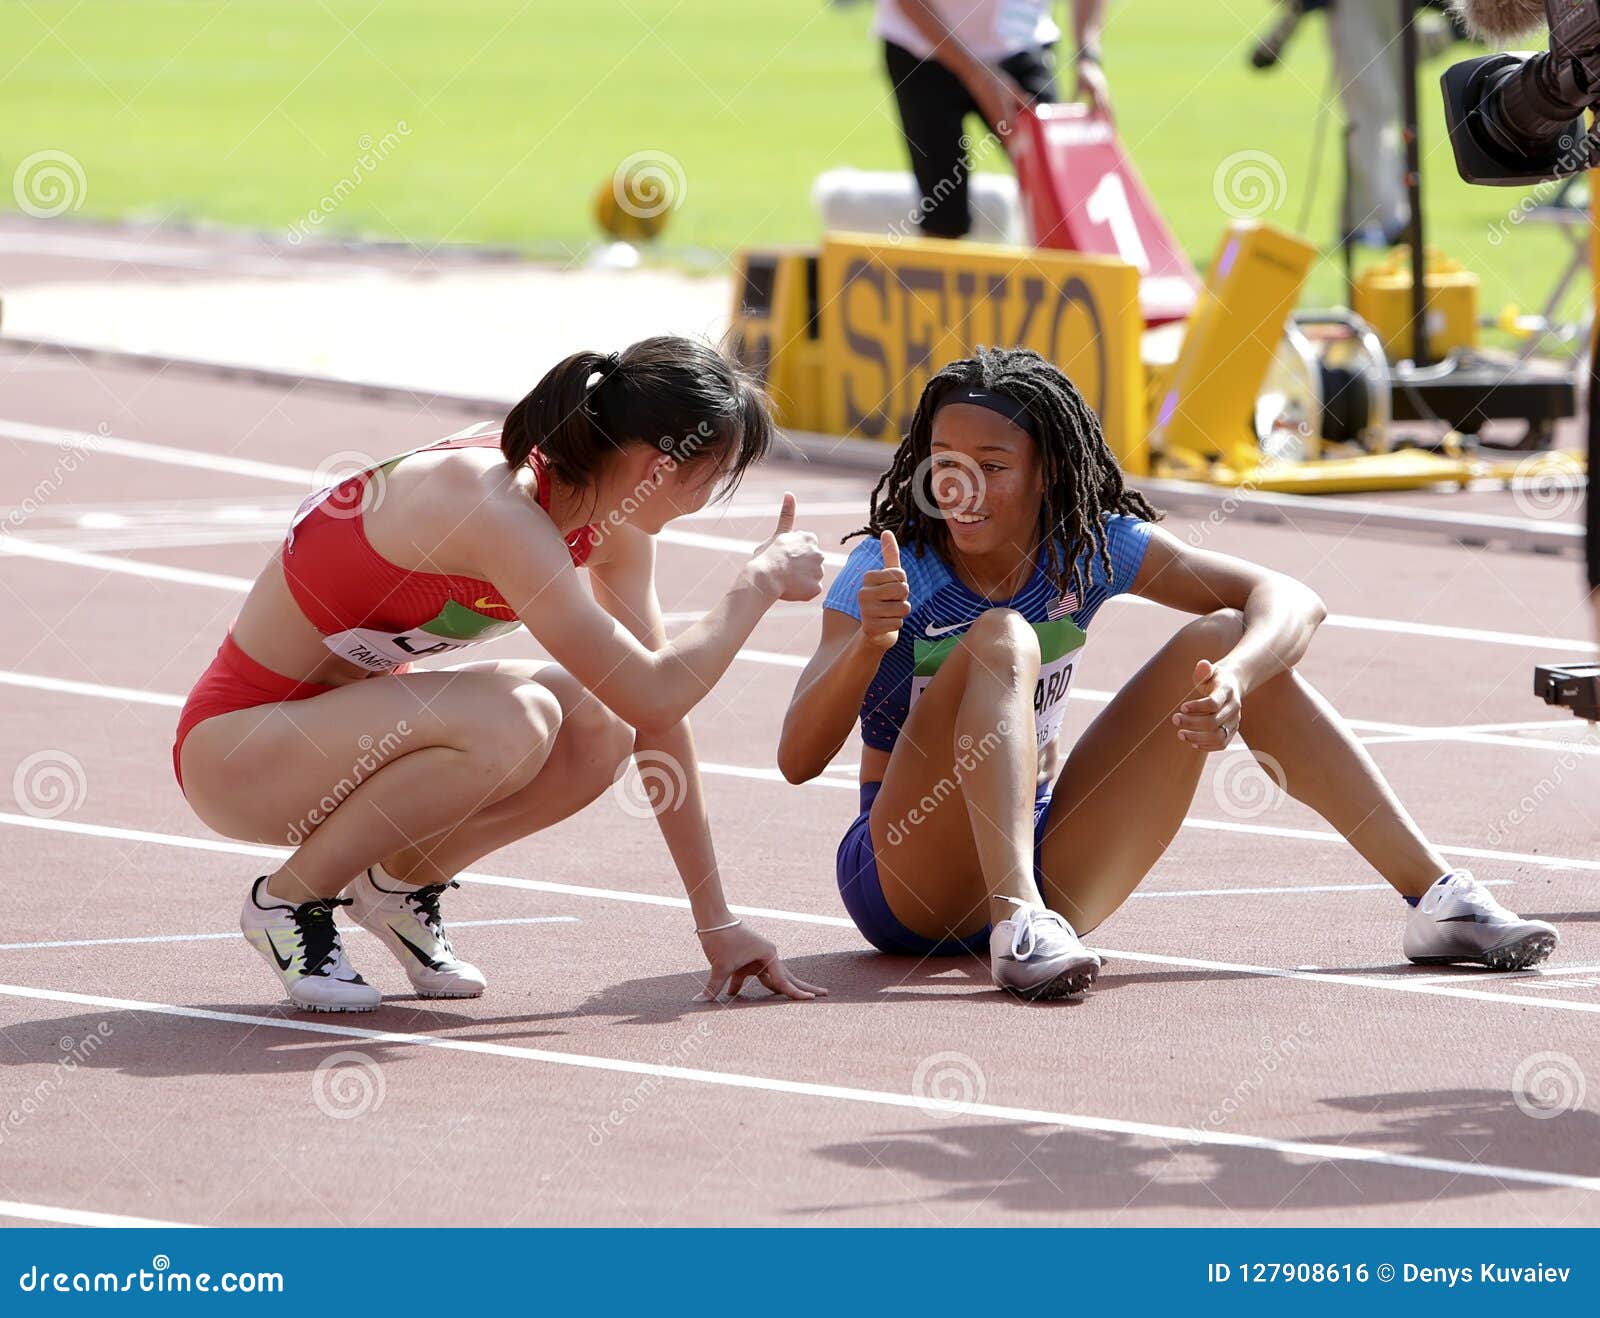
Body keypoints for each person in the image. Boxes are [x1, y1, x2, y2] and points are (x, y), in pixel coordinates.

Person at [779, 346, 1558, 1000]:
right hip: (905, 879)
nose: (963, 490)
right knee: (1003, 638)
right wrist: (866, 647)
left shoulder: (1088, 547)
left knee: (1225, 637)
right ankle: (1017, 921)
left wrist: (1237, 681)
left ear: (1048, 471)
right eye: (946, 464)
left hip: (1057, 856)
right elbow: (797, 759)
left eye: (993, 465)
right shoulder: (887, 573)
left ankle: (1437, 898)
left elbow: (1290, 599)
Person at [173, 336, 829, 1012]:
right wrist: (757, 585)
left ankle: (399, 887)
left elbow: (653, 711)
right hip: (239, 755)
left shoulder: (610, 519)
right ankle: (289, 904)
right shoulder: (494, 504)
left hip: (347, 743)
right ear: (657, 467)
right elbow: (656, 687)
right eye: (712, 479)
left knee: (596, 721)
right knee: (517, 716)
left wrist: (715, 921)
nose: (710, 498)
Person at [875, 0, 1113, 240]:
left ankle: (1063, 275)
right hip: (922, 48)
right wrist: (977, 76)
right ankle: (932, 273)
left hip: (1020, 41)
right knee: (943, 213)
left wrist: (1088, 56)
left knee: (1061, 194)